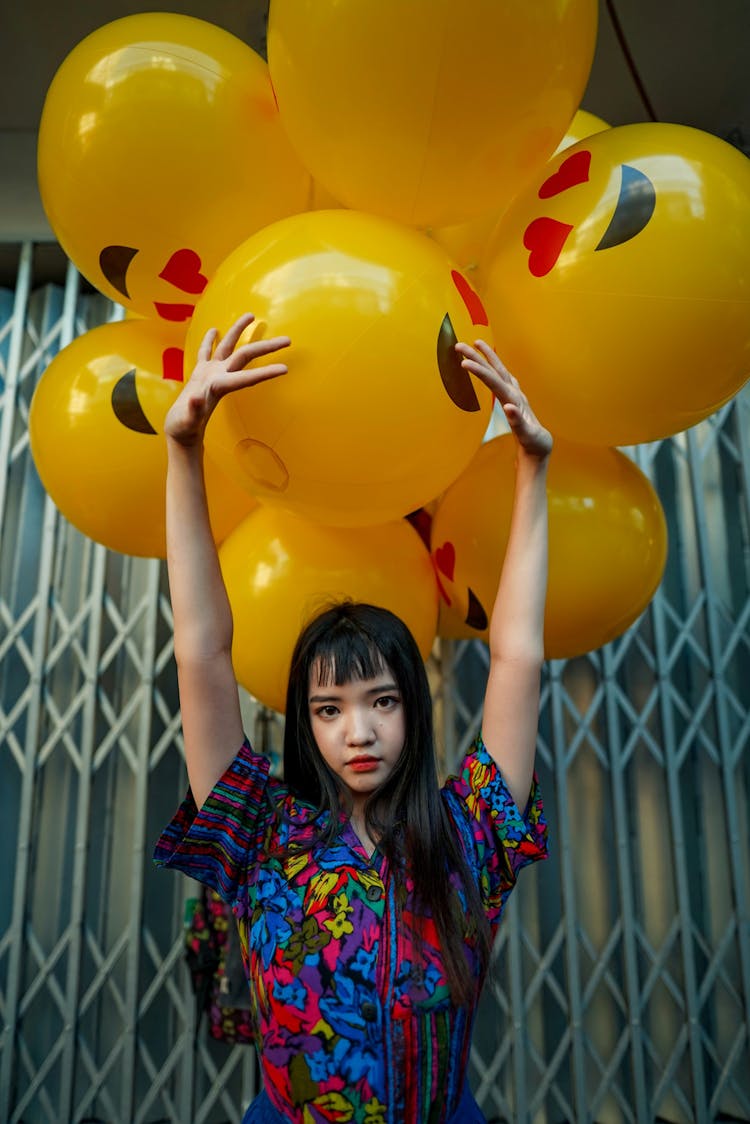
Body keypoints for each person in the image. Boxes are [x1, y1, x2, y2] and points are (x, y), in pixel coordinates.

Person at [154, 312, 552, 1123]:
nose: (358, 732)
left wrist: (531, 468)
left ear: (414, 708)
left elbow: (517, 656)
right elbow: (202, 653)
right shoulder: (260, 835)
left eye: (382, 702)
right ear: (306, 723)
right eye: (328, 710)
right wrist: (183, 452)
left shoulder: (471, 833)